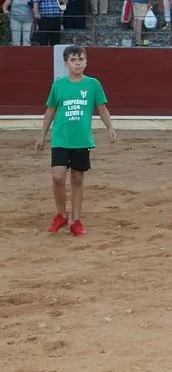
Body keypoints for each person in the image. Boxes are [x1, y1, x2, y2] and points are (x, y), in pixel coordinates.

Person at [35, 46, 118, 237]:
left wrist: (110, 127)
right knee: (58, 177)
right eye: (73, 60)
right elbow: (50, 111)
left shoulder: (93, 84)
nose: (77, 63)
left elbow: (102, 108)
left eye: (81, 59)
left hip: (81, 139)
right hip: (60, 138)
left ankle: (76, 220)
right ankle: (61, 215)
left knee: (77, 178)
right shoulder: (58, 85)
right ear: (66, 63)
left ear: (86, 62)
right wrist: (42, 135)